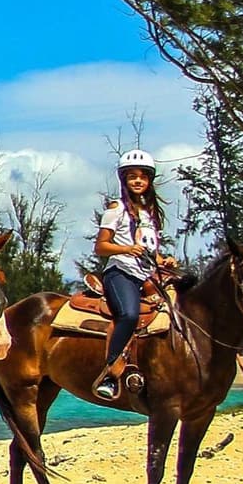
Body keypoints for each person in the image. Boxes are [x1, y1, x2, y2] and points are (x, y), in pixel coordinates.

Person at [92, 149, 174, 401]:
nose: (138, 181)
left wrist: (163, 260)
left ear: (149, 181)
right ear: (124, 180)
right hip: (121, 272)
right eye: (132, 177)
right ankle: (110, 373)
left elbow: (150, 252)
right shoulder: (116, 209)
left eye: (143, 177)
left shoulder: (149, 214)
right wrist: (126, 249)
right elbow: (101, 246)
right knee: (128, 315)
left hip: (147, 275)